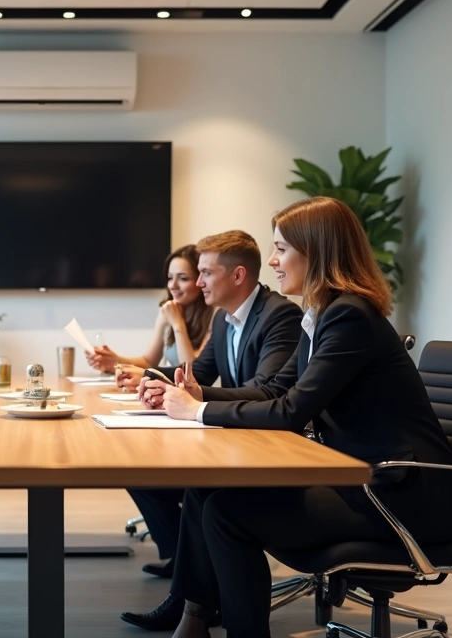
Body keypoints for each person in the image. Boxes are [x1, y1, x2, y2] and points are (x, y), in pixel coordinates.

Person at [137, 196, 452, 638]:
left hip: (394, 495)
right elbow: (277, 390)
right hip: (356, 478)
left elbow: (292, 411)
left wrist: (197, 411)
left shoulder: (349, 317)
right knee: (207, 489)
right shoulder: (324, 314)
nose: (272, 261)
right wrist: (199, 394)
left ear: (317, 252)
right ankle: (194, 618)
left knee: (226, 513)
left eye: (282, 249)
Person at [117, 230, 302, 632]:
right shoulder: (224, 319)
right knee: (193, 485)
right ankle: (191, 610)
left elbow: (271, 391)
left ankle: (189, 611)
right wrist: (157, 383)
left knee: (207, 494)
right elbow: (196, 376)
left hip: (273, 447)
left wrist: (194, 401)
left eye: (205, 273)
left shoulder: (279, 316)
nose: (197, 284)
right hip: (239, 438)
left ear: (237, 276)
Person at [85, 245, 215, 372]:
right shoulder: (167, 310)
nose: (173, 285)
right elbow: (148, 362)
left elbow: (193, 372)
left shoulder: (215, 316)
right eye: (170, 278)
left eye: (183, 278)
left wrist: (177, 324)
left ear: (200, 280)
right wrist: (115, 360)